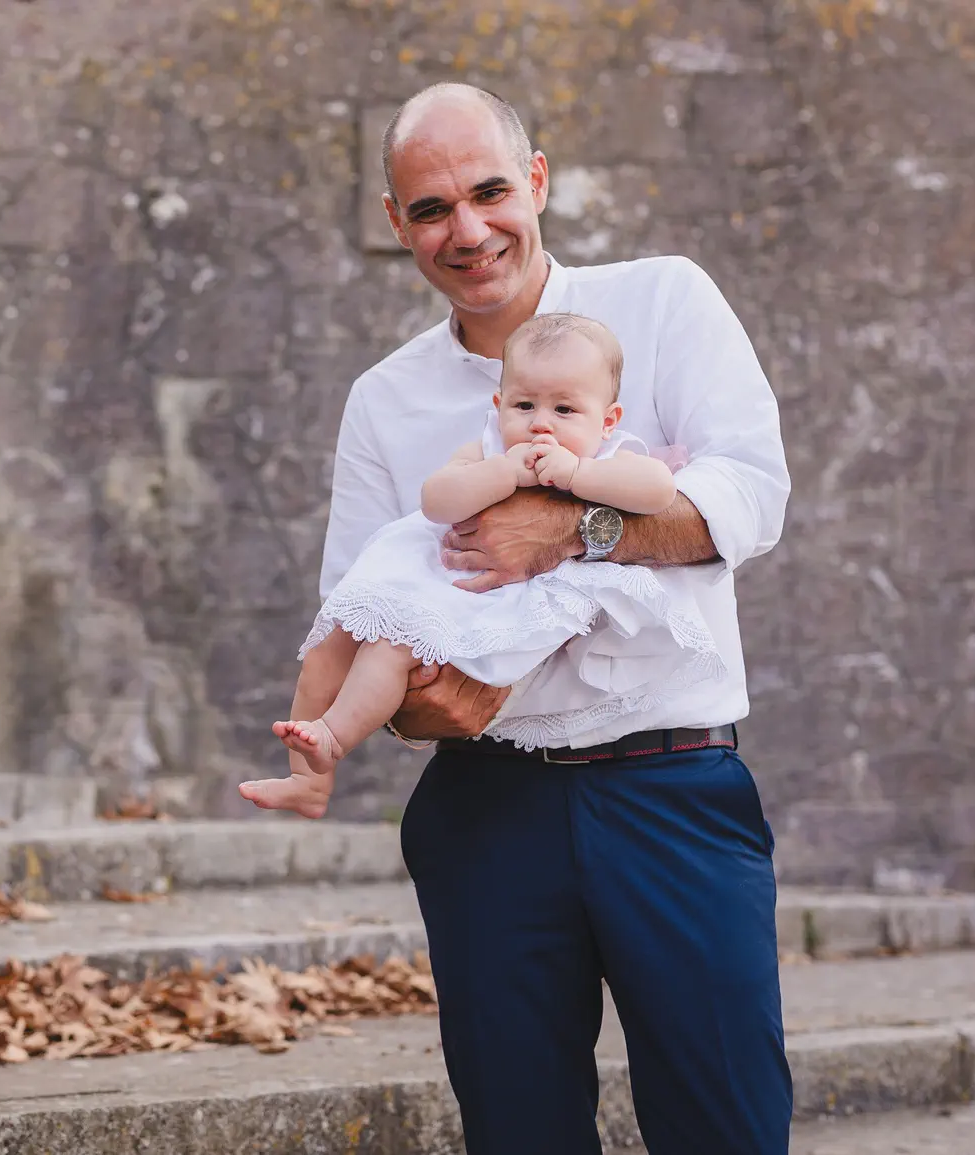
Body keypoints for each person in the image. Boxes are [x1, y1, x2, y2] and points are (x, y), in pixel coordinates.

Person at [240, 82, 795, 1155]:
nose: (468, 230)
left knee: (727, 1127)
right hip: (485, 809)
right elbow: (359, 609)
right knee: (517, 1132)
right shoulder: (386, 400)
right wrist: (425, 704)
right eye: (430, 209)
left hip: (671, 788)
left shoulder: (664, 302)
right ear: (396, 222)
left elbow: (751, 497)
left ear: (536, 180)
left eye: (489, 192)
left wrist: (572, 530)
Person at [244, 311, 722, 817]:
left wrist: (577, 474)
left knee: (389, 648)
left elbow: (658, 491)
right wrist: (502, 473)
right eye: (524, 404)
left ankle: (333, 737)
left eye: (565, 409)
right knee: (329, 645)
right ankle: (307, 781)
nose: (541, 422)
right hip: (435, 575)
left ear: (607, 420)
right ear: (498, 406)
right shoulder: (487, 451)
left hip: (482, 602)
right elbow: (436, 501)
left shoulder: (611, 457)